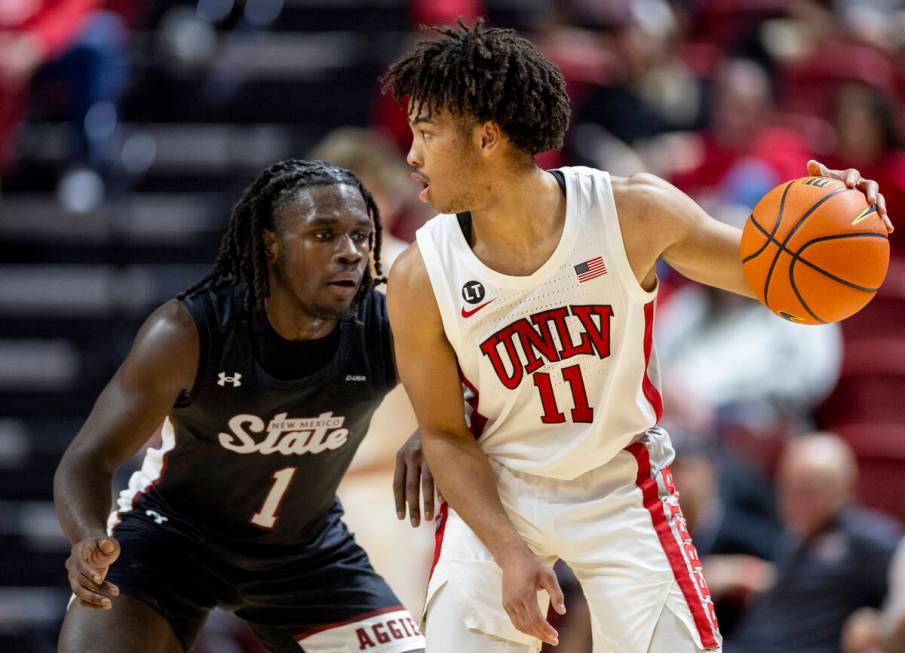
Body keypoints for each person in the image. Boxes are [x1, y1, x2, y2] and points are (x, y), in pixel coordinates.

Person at [380, 19, 892, 653]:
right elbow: (443, 436)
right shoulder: (419, 275)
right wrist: (510, 552)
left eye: (427, 134)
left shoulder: (631, 213)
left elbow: (777, 278)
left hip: (622, 484)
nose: (411, 155)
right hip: (498, 491)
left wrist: (844, 220)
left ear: (487, 138)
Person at [53, 159, 426, 653]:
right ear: (271, 243)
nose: (350, 253)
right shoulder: (187, 331)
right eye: (324, 235)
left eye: (361, 235)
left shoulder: (389, 321)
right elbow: (88, 458)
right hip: (174, 541)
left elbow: (488, 387)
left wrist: (438, 427)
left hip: (306, 550)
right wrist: (85, 538)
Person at [728, 433, 900, 653]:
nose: (795, 498)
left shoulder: (869, 540)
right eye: (788, 486)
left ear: (844, 487)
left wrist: (878, 621)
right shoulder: (793, 537)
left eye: (809, 489)